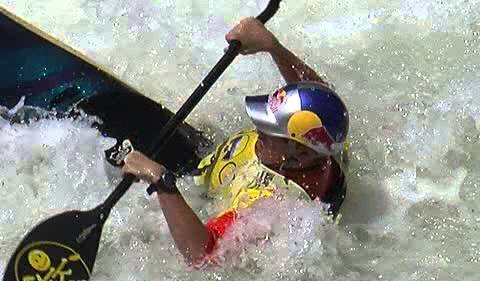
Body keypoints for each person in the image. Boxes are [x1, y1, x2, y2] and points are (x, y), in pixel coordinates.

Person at [121, 17, 349, 266]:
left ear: (299, 155)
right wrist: (273, 47)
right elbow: (321, 96)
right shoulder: (325, 140)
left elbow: (203, 256)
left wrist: (160, 180)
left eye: (271, 129)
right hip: (211, 166)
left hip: (195, 194)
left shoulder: (270, 206)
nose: (259, 127)